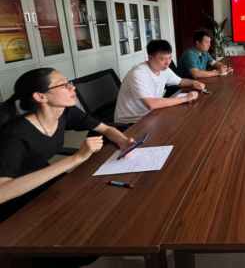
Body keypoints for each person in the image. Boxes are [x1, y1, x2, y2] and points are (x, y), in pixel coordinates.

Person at [0, 69, 134, 225]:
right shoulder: (14, 135)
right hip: (17, 206)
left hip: (45, 183)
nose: (72, 87)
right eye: (63, 85)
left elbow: (105, 129)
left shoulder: (65, 112)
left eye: (68, 82)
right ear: (41, 96)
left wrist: (123, 141)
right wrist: (76, 158)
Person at [115, 39, 205, 124]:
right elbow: (151, 104)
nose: (168, 63)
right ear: (150, 58)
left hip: (152, 115)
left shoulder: (163, 69)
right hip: (133, 122)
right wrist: (185, 98)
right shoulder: (138, 74)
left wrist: (194, 83)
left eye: (170, 58)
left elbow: (180, 81)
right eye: (163, 59)